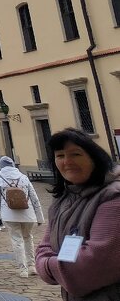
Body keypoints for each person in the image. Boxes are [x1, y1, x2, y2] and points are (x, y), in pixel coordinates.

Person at [35, 127, 120, 301]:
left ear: (94, 158)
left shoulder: (113, 197)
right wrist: (56, 265)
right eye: (60, 156)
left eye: (76, 154)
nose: (67, 162)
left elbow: (95, 263)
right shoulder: (63, 199)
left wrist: (48, 267)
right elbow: (45, 247)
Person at [0, 156, 44, 277]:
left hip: (9, 214)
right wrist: (39, 216)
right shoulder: (23, 177)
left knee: (17, 240)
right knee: (28, 238)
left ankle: (23, 269)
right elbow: (34, 197)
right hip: (28, 213)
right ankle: (32, 266)